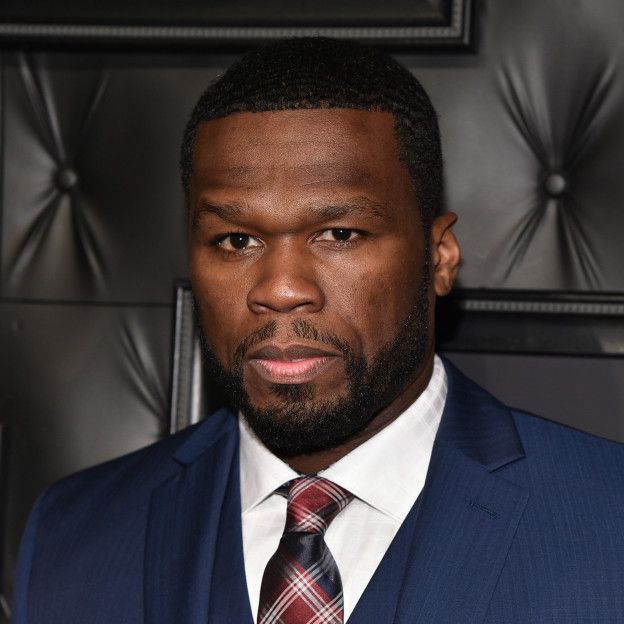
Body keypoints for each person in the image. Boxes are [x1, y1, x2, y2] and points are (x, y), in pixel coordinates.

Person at [12, 37, 624, 624]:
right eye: (236, 240)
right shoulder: (76, 535)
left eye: (339, 234)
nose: (280, 288)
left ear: (439, 257)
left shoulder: (606, 522)